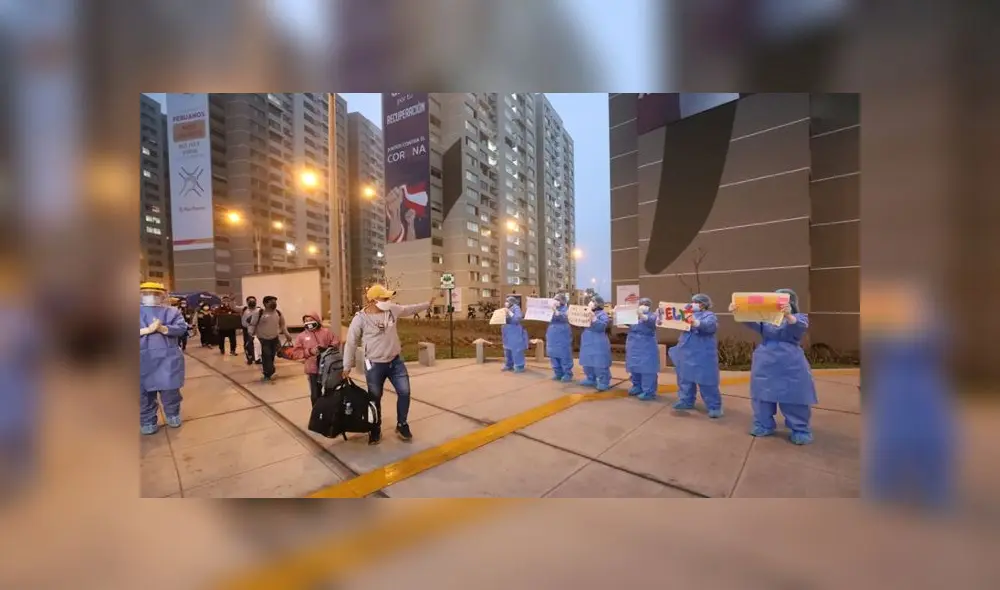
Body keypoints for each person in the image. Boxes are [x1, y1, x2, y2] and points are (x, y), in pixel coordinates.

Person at [342, 285, 434, 445]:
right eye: (384, 298)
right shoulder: (360, 318)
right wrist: (346, 366)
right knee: (374, 398)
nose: (388, 301)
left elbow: (409, 309)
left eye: (388, 298)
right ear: (372, 300)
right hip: (373, 364)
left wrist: (427, 304)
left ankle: (402, 424)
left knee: (405, 392)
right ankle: (375, 428)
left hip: (395, 361)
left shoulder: (392, 310)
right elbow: (351, 342)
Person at [731, 288, 817, 444]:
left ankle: (800, 428)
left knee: (793, 396)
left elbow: (799, 327)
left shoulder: (799, 317)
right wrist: (739, 311)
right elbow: (752, 322)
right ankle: (763, 424)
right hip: (765, 360)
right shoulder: (767, 319)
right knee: (762, 395)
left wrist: (789, 316)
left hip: (790, 362)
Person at [139, 282, 188, 435]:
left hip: (168, 358)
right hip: (141, 358)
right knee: (143, 393)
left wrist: (164, 328)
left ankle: (173, 415)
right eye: (147, 293)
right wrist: (145, 330)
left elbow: (181, 328)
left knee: (170, 390)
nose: (151, 297)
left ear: (163, 295)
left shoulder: (172, 312)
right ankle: (147, 421)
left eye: (155, 294)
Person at [666, 294, 723, 416]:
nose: (693, 304)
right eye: (692, 302)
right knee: (685, 378)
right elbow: (674, 320)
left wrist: (697, 323)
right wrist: (663, 314)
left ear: (703, 304)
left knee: (706, 380)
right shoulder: (687, 313)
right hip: (686, 352)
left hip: (703, 353)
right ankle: (686, 400)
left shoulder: (709, 315)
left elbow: (710, 326)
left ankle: (714, 406)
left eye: (697, 302)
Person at [288, 312, 340, 406]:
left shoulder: (326, 332)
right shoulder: (301, 336)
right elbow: (296, 353)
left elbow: (336, 341)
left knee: (330, 391)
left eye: (311, 320)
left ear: (317, 320)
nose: (308, 323)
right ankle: (316, 414)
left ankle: (329, 413)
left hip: (328, 367)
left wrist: (328, 348)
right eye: (306, 321)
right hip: (313, 369)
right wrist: (310, 352)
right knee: (315, 394)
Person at [248, 295, 293, 384]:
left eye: (275, 301)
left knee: (272, 356)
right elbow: (252, 324)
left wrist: (287, 334)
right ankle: (270, 373)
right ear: (265, 303)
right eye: (271, 301)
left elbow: (282, 325)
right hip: (263, 339)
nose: (274, 303)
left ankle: (268, 373)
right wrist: (251, 334)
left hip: (275, 338)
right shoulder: (259, 313)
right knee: (266, 356)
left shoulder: (278, 313)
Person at [626, 297, 661, 400]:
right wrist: (618, 314)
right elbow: (627, 322)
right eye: (642, 304)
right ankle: (637, 386)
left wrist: (643, 316)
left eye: (646, 304)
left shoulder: (653, 316)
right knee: (635, 366)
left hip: (647, 345)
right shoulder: (635, 316)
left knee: (647, 368)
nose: (643, 306)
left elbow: (652, 322)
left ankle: (648, 391)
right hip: (633, 344)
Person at [579, 294, 612, 391]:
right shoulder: (587, 312)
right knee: (587, 361)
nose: (591, 303)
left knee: (599, 362)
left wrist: (594, 319)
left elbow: (601, 327)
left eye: (593, 301)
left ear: (598, 304)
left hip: (598, 341)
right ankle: (590, 378)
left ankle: (603, 381)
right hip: (587, 340)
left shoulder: (602, 314)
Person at [546, 293, 574, 381]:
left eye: (557, 300)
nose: (555, 301)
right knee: (553, 353)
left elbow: (565, 317)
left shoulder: (566, 309)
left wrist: (556, 311)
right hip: (552, 334)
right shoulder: (551, 309)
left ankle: (567, 373)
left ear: (562, 301)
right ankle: (558, 372)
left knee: (563, 354)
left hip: (562, 334)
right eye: (555, 299)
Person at [501, 295, 528, 373]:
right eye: (506, 301)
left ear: (511, 302)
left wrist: (509, 313)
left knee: (516, 349)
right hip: (507, 331)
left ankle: (519, 366)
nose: (506, 303)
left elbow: (517, 318)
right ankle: (509, 364)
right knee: (507, 349)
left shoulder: (516, 308)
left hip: (515, 331)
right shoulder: (507, 309)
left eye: (507, 301)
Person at [241, 296, 261, 365]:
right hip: (246, 329)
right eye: (250, 301)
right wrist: (232, 301)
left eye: (253, 301)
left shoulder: (259, 310)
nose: (252, 302)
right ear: (247, 302)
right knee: (247, 344)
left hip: (256, 330)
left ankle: (257, 358)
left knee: (257, 344)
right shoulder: (244, 309)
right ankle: (249, 358)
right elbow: (234, 307)